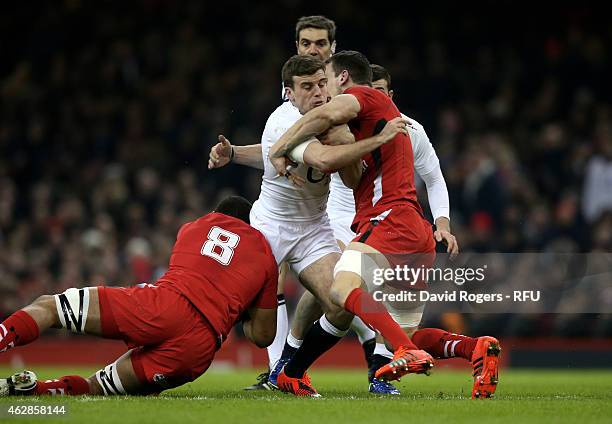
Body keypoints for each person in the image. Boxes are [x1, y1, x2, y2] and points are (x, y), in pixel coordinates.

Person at [269, 51, 500, 399]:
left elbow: (326, 114)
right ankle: (475, 349)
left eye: (327, 80)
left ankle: (299, 363)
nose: (325, 89)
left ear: (343, 78)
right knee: (401, 333)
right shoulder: (382, 123)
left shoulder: (365, 96)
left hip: (387, 220)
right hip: (414, 231)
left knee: (340, 291)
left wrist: (281, 147)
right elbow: (352, 175)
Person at [209, 15, 402, 395]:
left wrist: (347, 145)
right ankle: (254, 338)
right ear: (290, 91)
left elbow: (349, 177)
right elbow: (320, 160)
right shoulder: (283, 120)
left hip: (315, 226)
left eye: (320, 84)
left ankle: (290, 371)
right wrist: (371, 142)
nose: (315, 91)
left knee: (341, 304)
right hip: (272, 225)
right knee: (261, 335)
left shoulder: (339, 109)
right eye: (306, 86)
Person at [0, 196, 279, 396]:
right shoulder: (266, 256)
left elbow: (198, 269)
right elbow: (263, 337)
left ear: (216, 214)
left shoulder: (193, 227)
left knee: (50, 308)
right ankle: (35, 390)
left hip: (165, 306)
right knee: (98, 386)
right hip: (199, 348)